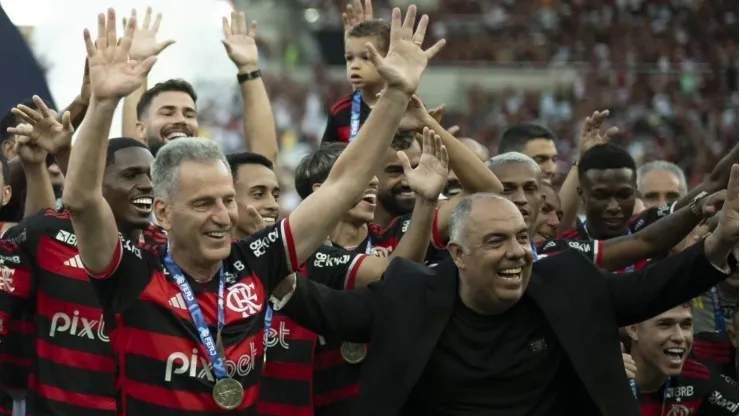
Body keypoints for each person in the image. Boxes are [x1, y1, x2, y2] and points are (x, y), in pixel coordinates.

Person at [63, 7, 443, 414]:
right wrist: (103, 103)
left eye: (228, 200)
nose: (224, 216)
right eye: (203, 203)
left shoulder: (256, 261)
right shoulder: (133, 272)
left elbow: (341, 185)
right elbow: (83, 201)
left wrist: (395, 96)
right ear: (164, 212)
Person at [273, 171, 739, 415]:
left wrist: (717, 243)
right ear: (456, 253)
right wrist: (269, 267)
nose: (518, 252)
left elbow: (648, 288)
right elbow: (335, 312)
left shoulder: (565, 282)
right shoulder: (413, 291)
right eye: (496, 241)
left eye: (521, 237)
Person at [537, 144, 727, 271]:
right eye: (601, 196)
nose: (613, 207)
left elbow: (714, 182)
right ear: (582, 194)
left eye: (623, 195)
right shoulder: (563, 249)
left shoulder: (650, 225)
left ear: (635, 192)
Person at [624, 304, 739, 415]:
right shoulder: (609, 381)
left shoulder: (697, 377)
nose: (679, 337)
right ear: (633, 329)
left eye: (686, 325)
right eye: (665, 325)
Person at [322, 19, 389, 144]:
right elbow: (325, 162)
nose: (354, 65)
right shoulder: (339, 112)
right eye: (349, 58)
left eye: (365, 57)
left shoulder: (408, 106)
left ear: (390, 58)